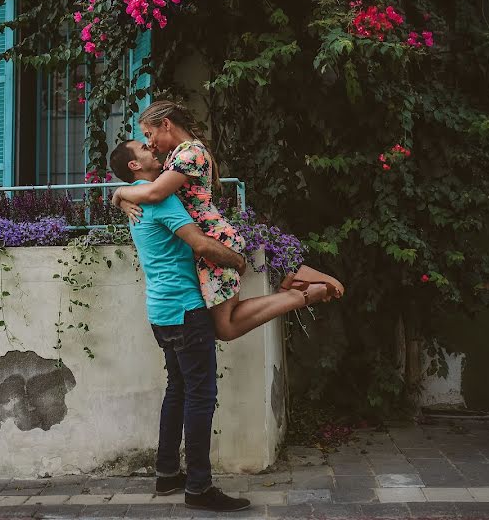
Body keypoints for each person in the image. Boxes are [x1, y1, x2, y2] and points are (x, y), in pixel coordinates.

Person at [112, 100, 345, 342]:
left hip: (213, 241)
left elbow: (154, 193)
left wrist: (119, 194)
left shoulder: (190, 154)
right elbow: (148, 188)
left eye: (149, 134)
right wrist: (120, 197)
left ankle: (304, 293)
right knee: (225, 326)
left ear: (166, 124)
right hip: (207, 241)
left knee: (226, 327)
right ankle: (295, 289)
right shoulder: (177, 154)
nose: (149, 143)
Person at [109, 139, 252, 512]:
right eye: (143, 148)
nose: (151, 150)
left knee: (178, 390)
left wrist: (117, 194)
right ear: (135, 167)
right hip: (187, 310)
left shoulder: (137, 197)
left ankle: (168, 473)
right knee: (201, 396)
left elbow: (121, 192)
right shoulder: (160, 199)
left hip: (160, 311)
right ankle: (200, 488)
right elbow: (200, 245)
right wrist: (238, 260)